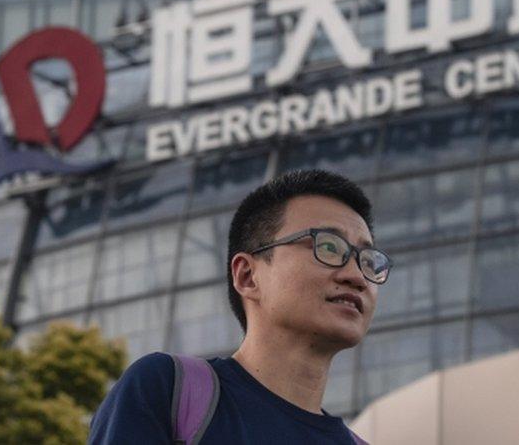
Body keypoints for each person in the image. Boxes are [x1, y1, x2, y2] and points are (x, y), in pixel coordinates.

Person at [89, 169, 391, 444]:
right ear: (247, 276)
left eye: (368, 261)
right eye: (328, 247)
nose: (356, 277)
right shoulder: (166, 390)